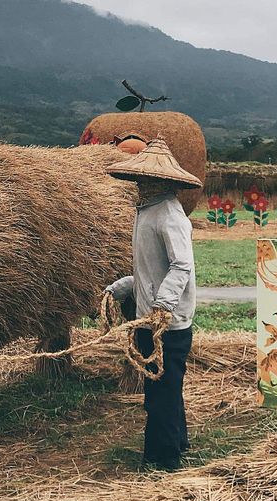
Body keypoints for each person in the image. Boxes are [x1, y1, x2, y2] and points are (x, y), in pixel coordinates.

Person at [104, 139, 201, 471]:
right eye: (140, 179)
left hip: (167, 322)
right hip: (151, 315)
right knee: (165, 388)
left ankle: (163, 458)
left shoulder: (169, 215)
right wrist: (121, 288)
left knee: (161, 391)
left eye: (148, 180)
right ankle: (177, 441)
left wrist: (163, 305)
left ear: (164, 181)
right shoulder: (146, 212)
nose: (142, 185)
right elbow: (149, 270)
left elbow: (181, 266)